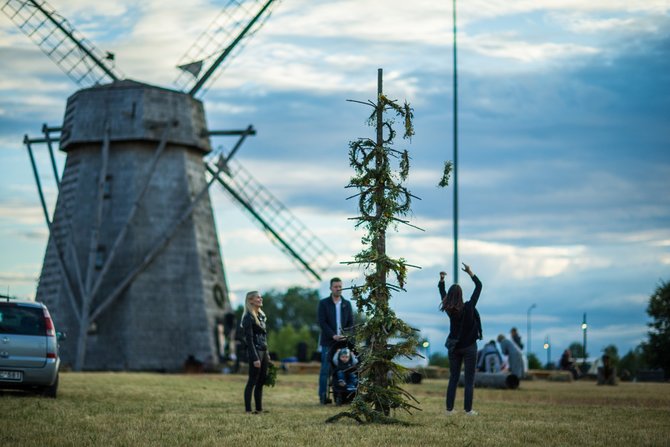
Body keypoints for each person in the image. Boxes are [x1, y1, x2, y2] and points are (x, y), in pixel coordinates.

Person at [439, 263, 483, 416]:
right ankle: (468, 410)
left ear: (450, 298)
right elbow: (479, 286)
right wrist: (470, 272)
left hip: (454, 347)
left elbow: (442, 294)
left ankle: (449, 410)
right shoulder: (470, 307)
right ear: (461, 295)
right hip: (470, 347)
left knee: (453, 378)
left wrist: (442, 280)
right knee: (469, 380)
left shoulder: (450, 311)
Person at [317, 277, 354, 404]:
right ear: (331, 288)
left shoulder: (346, 304)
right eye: (336, 287)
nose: (338, 289)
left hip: (343, 342)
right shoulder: (324, 303)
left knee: (346, 368)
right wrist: (333, 335)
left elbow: (351, 323)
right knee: (326, 369)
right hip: (329, 341)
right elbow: (322, 322)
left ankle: (346, 394)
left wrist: (347, 335)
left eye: (340, 286)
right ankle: (323, 396)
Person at [241, 291, 269, 414]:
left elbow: (264, 337)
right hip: (256, 351)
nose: (260, 298)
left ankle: (259, 409)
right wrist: (255, 357)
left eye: (260, 297)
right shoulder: (248, 317)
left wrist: (267, 354)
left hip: (263, 350)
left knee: (261, 380)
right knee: (252, 380)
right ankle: (248, 410)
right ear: (251, 300)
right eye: (258, 297)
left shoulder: (261, 316)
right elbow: (249, 339)